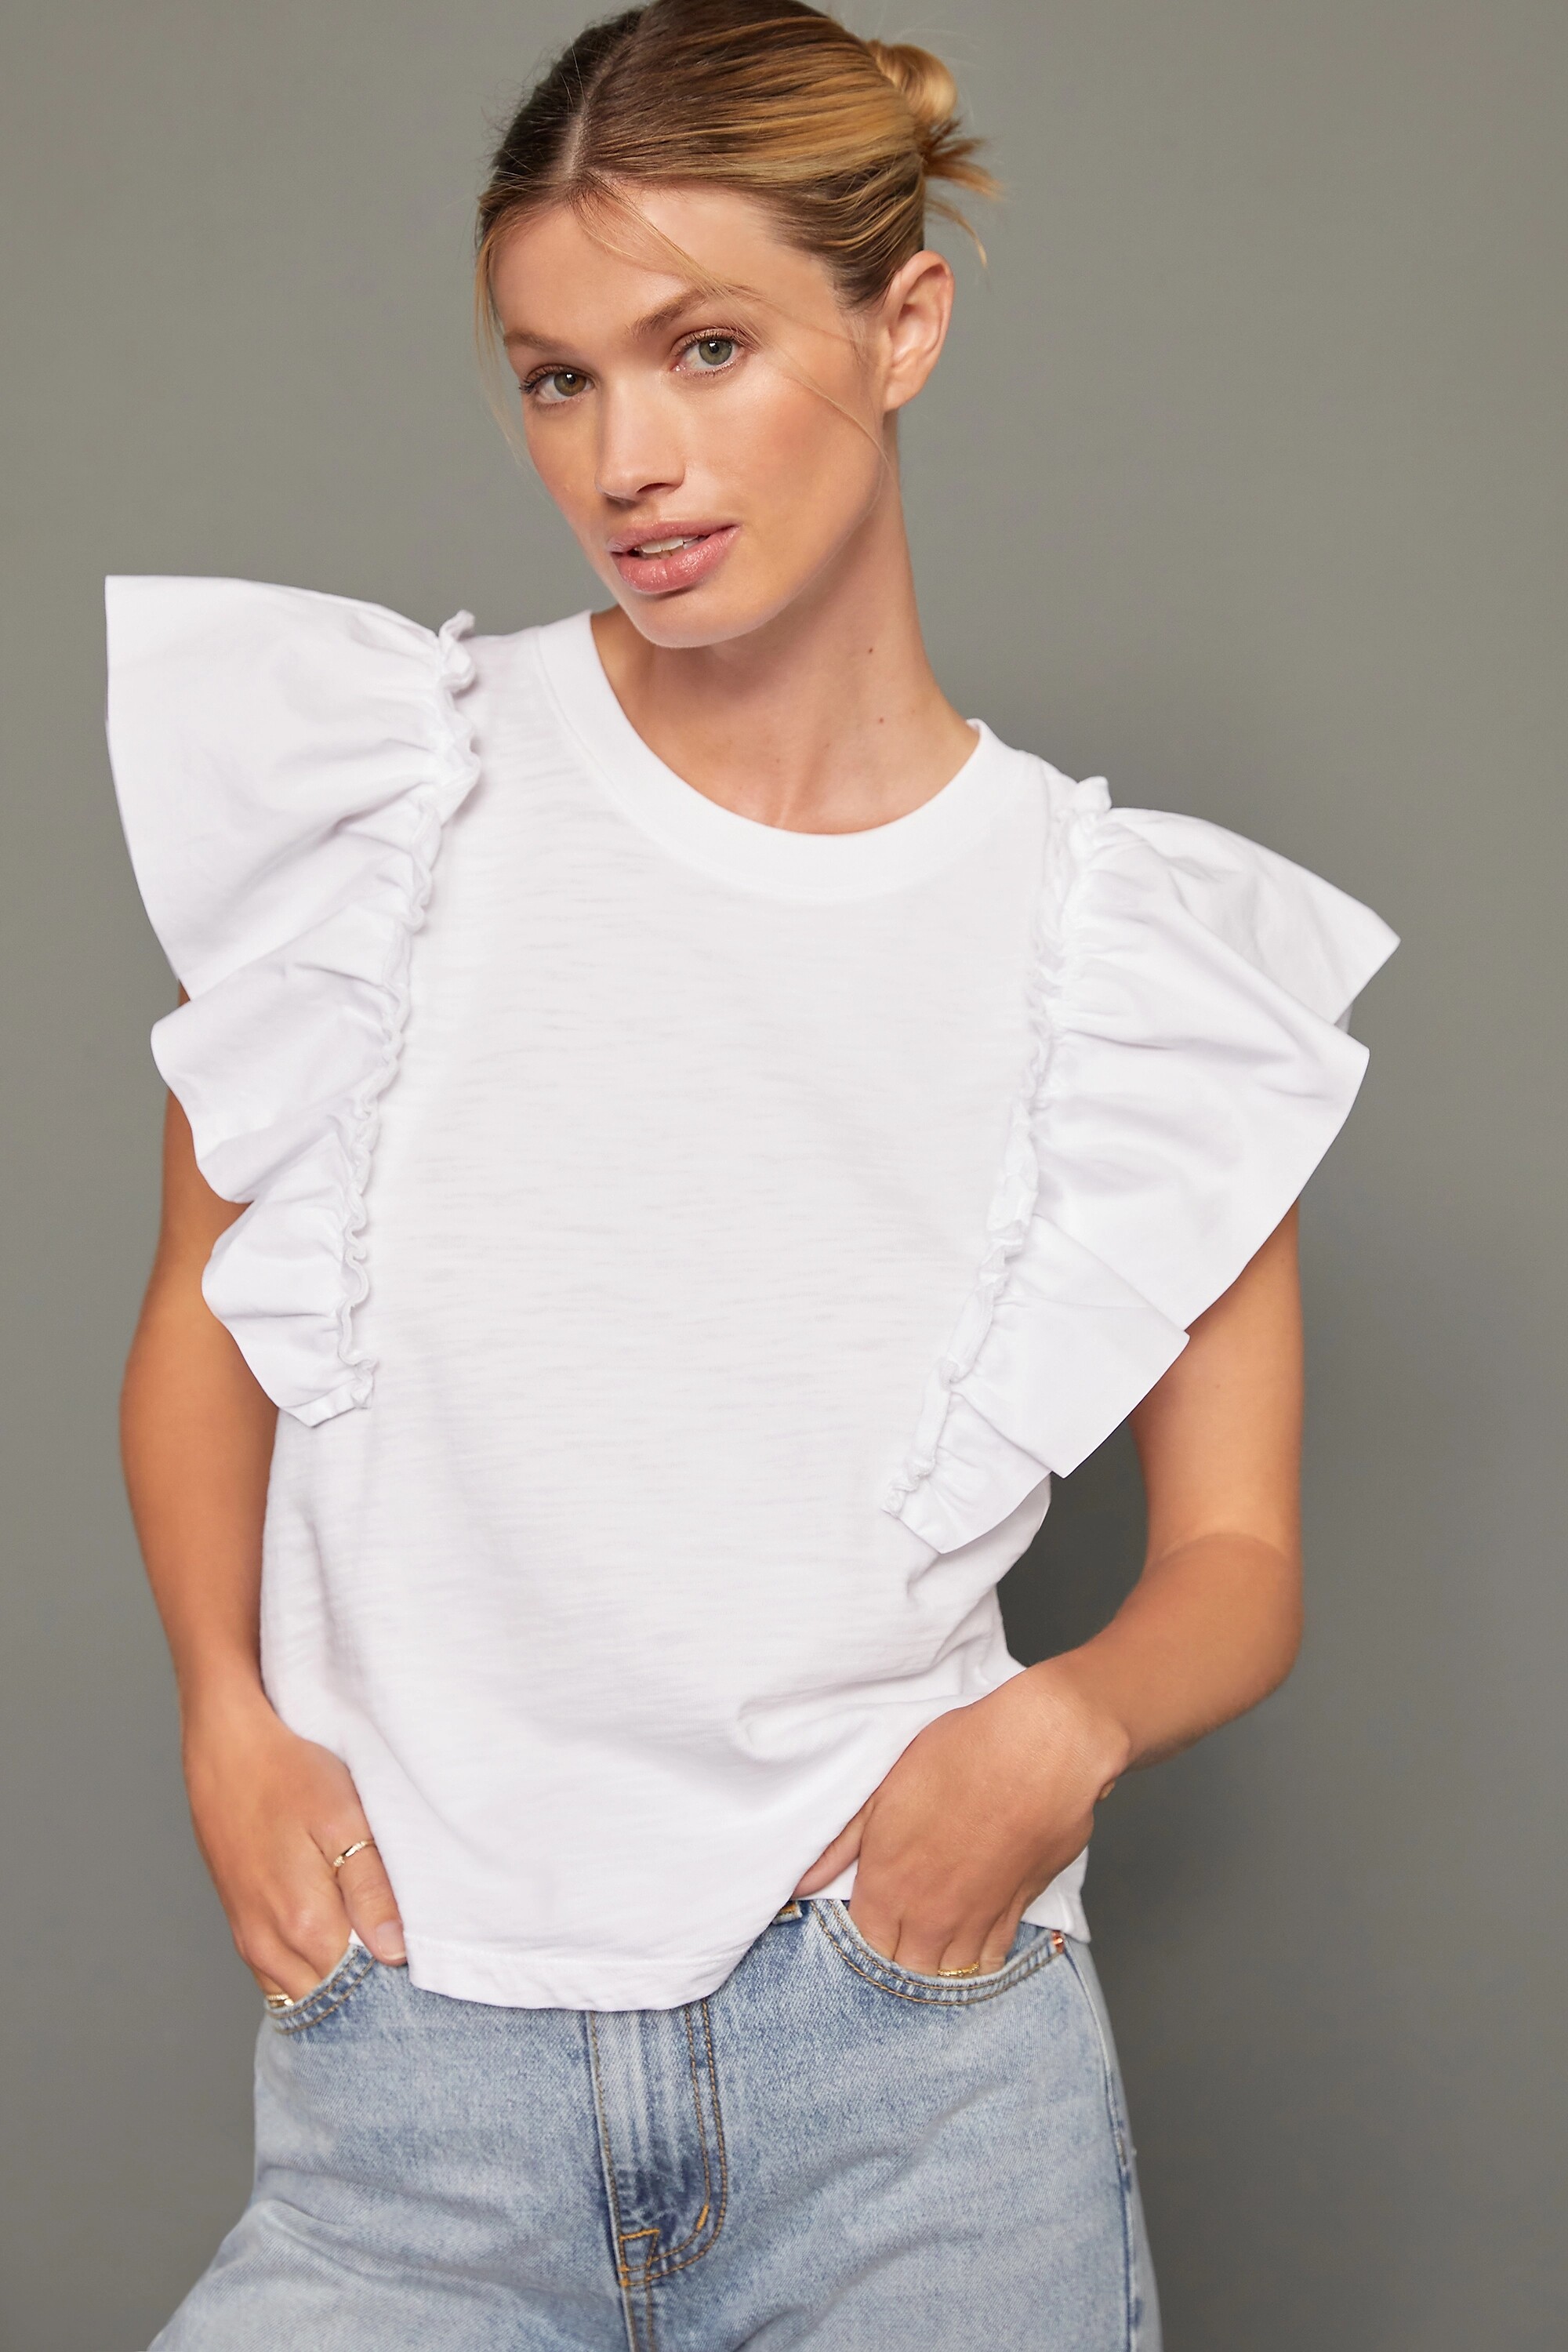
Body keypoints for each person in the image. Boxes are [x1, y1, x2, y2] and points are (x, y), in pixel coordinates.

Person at [107, 2, 1397, 2345]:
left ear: (904, 326)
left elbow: (1238, 1560)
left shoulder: (1123, 951)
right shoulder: (391, 797)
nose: (630, 458)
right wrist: (224, 1707)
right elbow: (206, 1311)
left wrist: (1062, 1729)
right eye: (558, 377)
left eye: (705, 347)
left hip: (915, 2072)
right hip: (413, 2081)